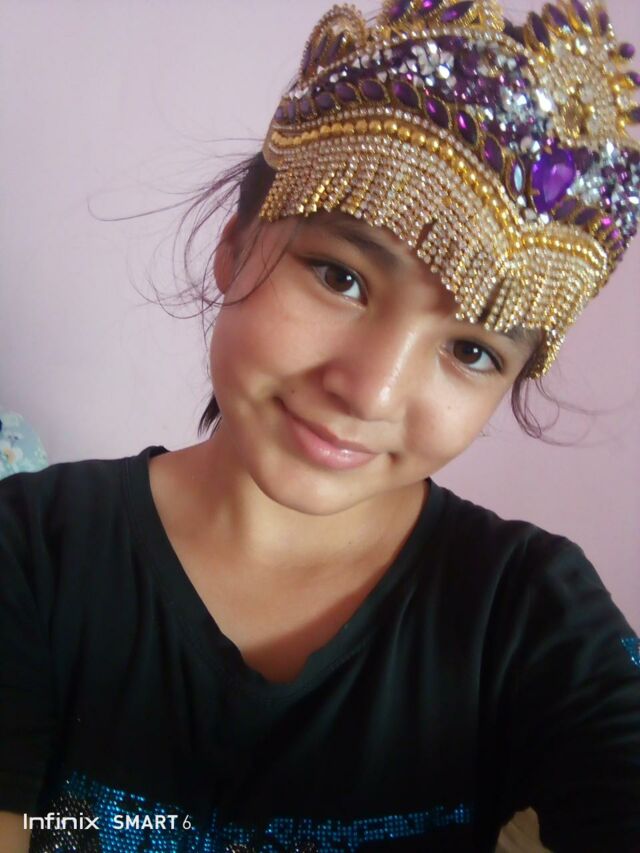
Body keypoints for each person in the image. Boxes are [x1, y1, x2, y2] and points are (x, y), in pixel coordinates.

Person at [1, 0, 639, 851]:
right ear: (234, 245)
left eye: (472, 351)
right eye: (340, 277)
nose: (371, 393)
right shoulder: (32, 550)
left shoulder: (529, 614)